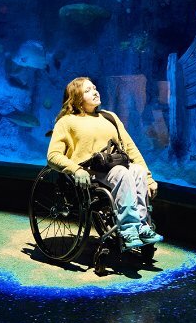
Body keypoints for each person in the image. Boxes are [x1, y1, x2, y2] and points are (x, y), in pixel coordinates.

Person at [47, 76, 162, 248]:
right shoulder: (67, 121)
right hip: (90, 174)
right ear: (76, 98)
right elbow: (53, 155)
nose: (95, 91)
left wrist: (149, 179)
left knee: (136, 170)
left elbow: (131, 149)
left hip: (116, 167)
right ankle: (129, 229)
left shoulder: (110, 117)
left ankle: (143, 226)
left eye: (94, 87)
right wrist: (76, 169)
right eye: (88, 90)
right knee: (122, 173)